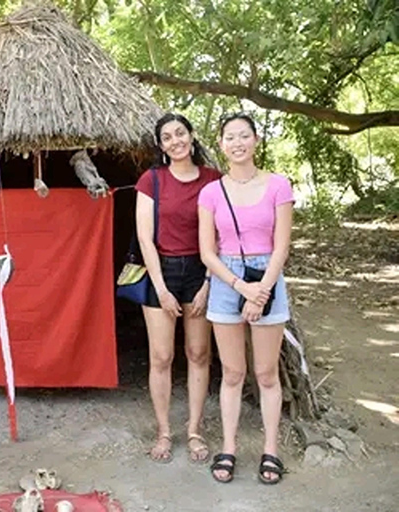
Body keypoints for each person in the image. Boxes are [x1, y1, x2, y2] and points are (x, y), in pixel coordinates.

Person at [198, 112, 294, 485]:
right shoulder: (211, 192)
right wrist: (241, 288)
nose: (237, 143)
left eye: (244, 136)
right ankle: (229, 446)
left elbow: (281, 246)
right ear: (221, 144)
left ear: (256, 140)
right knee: (233, 373)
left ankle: (271, 450)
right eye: (230, 137)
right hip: (226, 281)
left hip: (267, 277)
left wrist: (262, 292)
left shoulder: (278, 186)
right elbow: (207, 251)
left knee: (266, 373)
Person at [135, 113, 222, 463]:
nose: (175, 141)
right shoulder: (151, 180)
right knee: (161, 356)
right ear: (161, 145)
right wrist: (161, 288)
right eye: (167, 137)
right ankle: (164, 431)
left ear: (191, 136)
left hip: (203, 270)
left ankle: (195, 430)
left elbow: (222, 234)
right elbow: (144, 236)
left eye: (180, 133)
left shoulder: (213, 181)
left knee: (199, 353)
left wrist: (207, 283)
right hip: (162, 271)